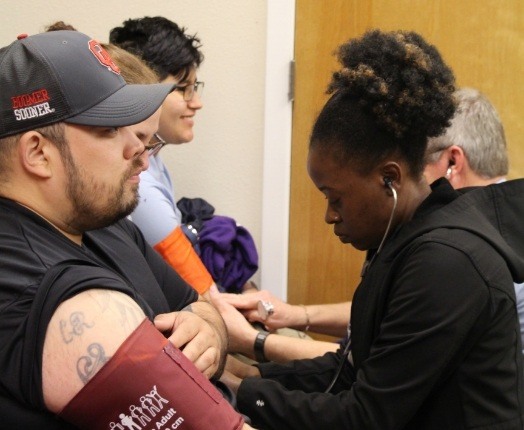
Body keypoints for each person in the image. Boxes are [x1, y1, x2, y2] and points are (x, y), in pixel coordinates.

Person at [218, 29, 524, 429]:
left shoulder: (448, 262)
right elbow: (354, 371)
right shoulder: (408, 240)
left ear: (389, 179)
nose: (330, 216)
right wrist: (252, 377)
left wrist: (241, 393)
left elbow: (366, 417)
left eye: (336, 197)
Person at [0, 30, 250, 429]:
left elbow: (199, 304)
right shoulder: (57, 298)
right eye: (108, 129)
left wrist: (209, 332)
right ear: (37, 153)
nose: (141, 157)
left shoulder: (102, 222)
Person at [215, 86, 524, 362]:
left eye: (418, 161)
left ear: (452, 163)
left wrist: (253, 344)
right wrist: (293, 315)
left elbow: (386, 363)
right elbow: (399, 316)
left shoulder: (465, 256)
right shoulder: (472, 230)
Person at [108, 16, 217, 299]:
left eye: (196, 86)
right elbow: (201, 292)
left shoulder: (152, 159)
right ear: (145, 87)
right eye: (183, 88)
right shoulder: (138, 182)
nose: (197, 102)